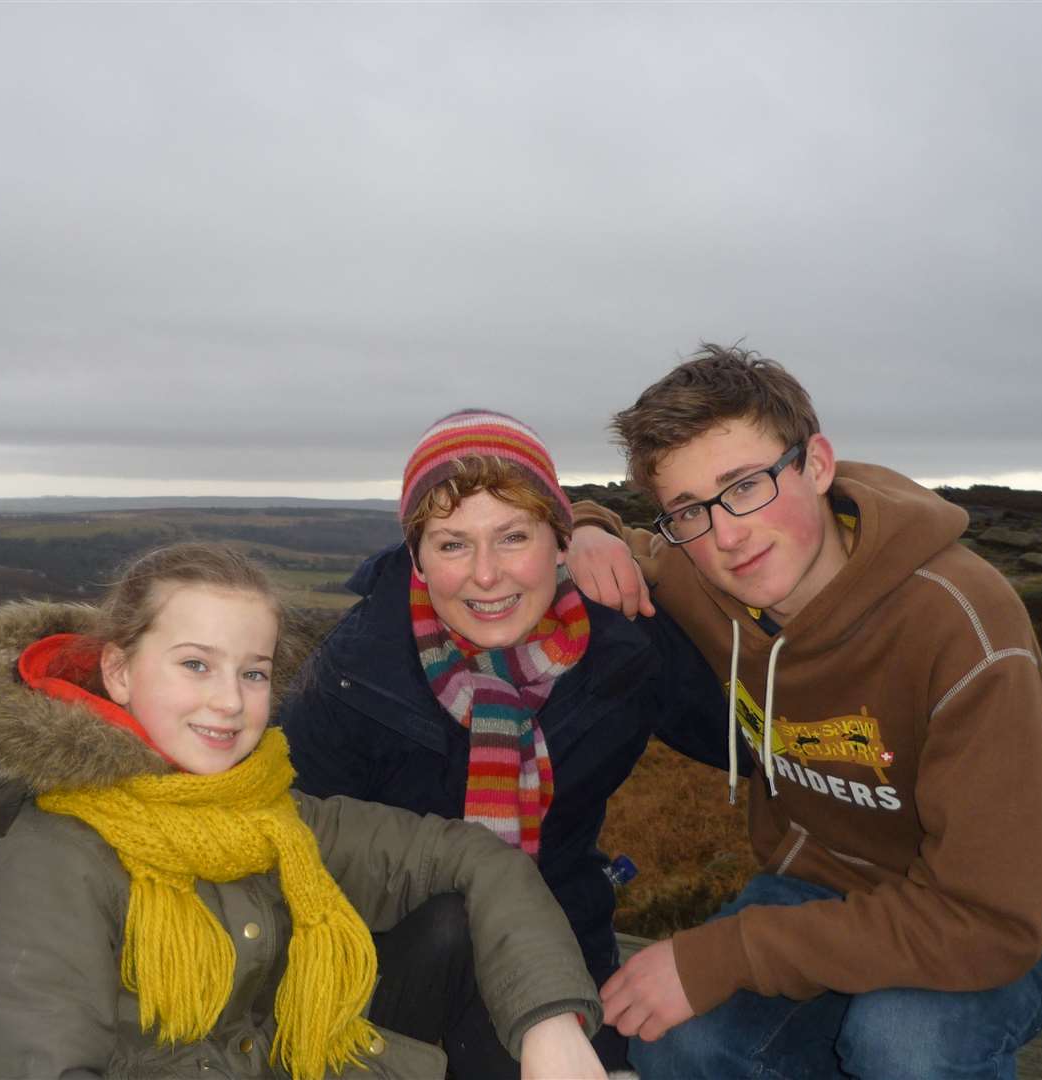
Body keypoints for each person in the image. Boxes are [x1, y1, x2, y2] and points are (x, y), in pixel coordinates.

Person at [564, 344, 1042, 1079]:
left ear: (816, 464)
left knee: (903, 1045)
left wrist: (727, 953)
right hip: (822, 880)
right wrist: (587, 527)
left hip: (994, 914)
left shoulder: (963, 625)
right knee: (675, 1040)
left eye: (747, 485)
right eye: (689, 509)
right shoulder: (705, 571)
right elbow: (602, 535)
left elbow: (990, 921)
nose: (728, 533)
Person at [0, 542, 608, 1080]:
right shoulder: (45, 866)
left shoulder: (269, 813)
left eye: (252, 672)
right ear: (117, 671)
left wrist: (551, 1027)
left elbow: (475, 858)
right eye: (196, 665)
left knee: (454, 923)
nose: (229, 701)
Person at [277, 408, 734, 1074]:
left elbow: (765, 737)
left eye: (513, 536)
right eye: (452, 543)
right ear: (418, 558)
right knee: (454, 922)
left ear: (559, 539)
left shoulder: (620, 648)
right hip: (386, 968)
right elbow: (281, 848)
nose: (486, 576)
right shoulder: (354, 676)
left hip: (566, 946)